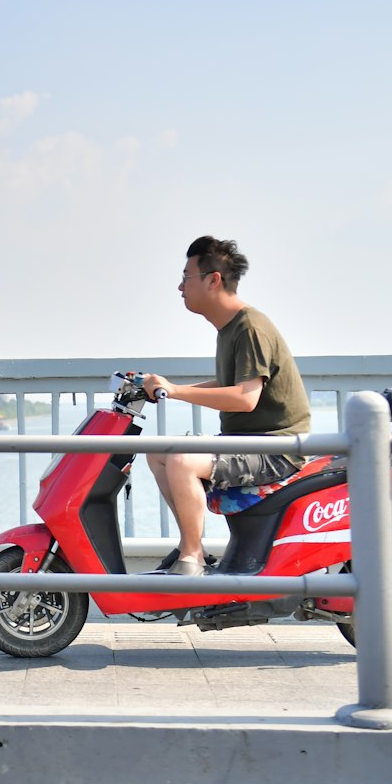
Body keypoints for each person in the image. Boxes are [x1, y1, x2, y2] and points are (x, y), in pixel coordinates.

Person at [143, 236, 310, 577]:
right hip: (248, 443)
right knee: (157, 452)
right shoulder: (229, 328)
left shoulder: (250, 327)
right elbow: (230, 385)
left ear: (213, 279)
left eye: (187, 277)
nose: (180, 286)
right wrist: (173, 389)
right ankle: (194, 546)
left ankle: (192, 556)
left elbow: (245, 398)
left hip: (275, 448)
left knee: (181, 461)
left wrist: (175, 391)